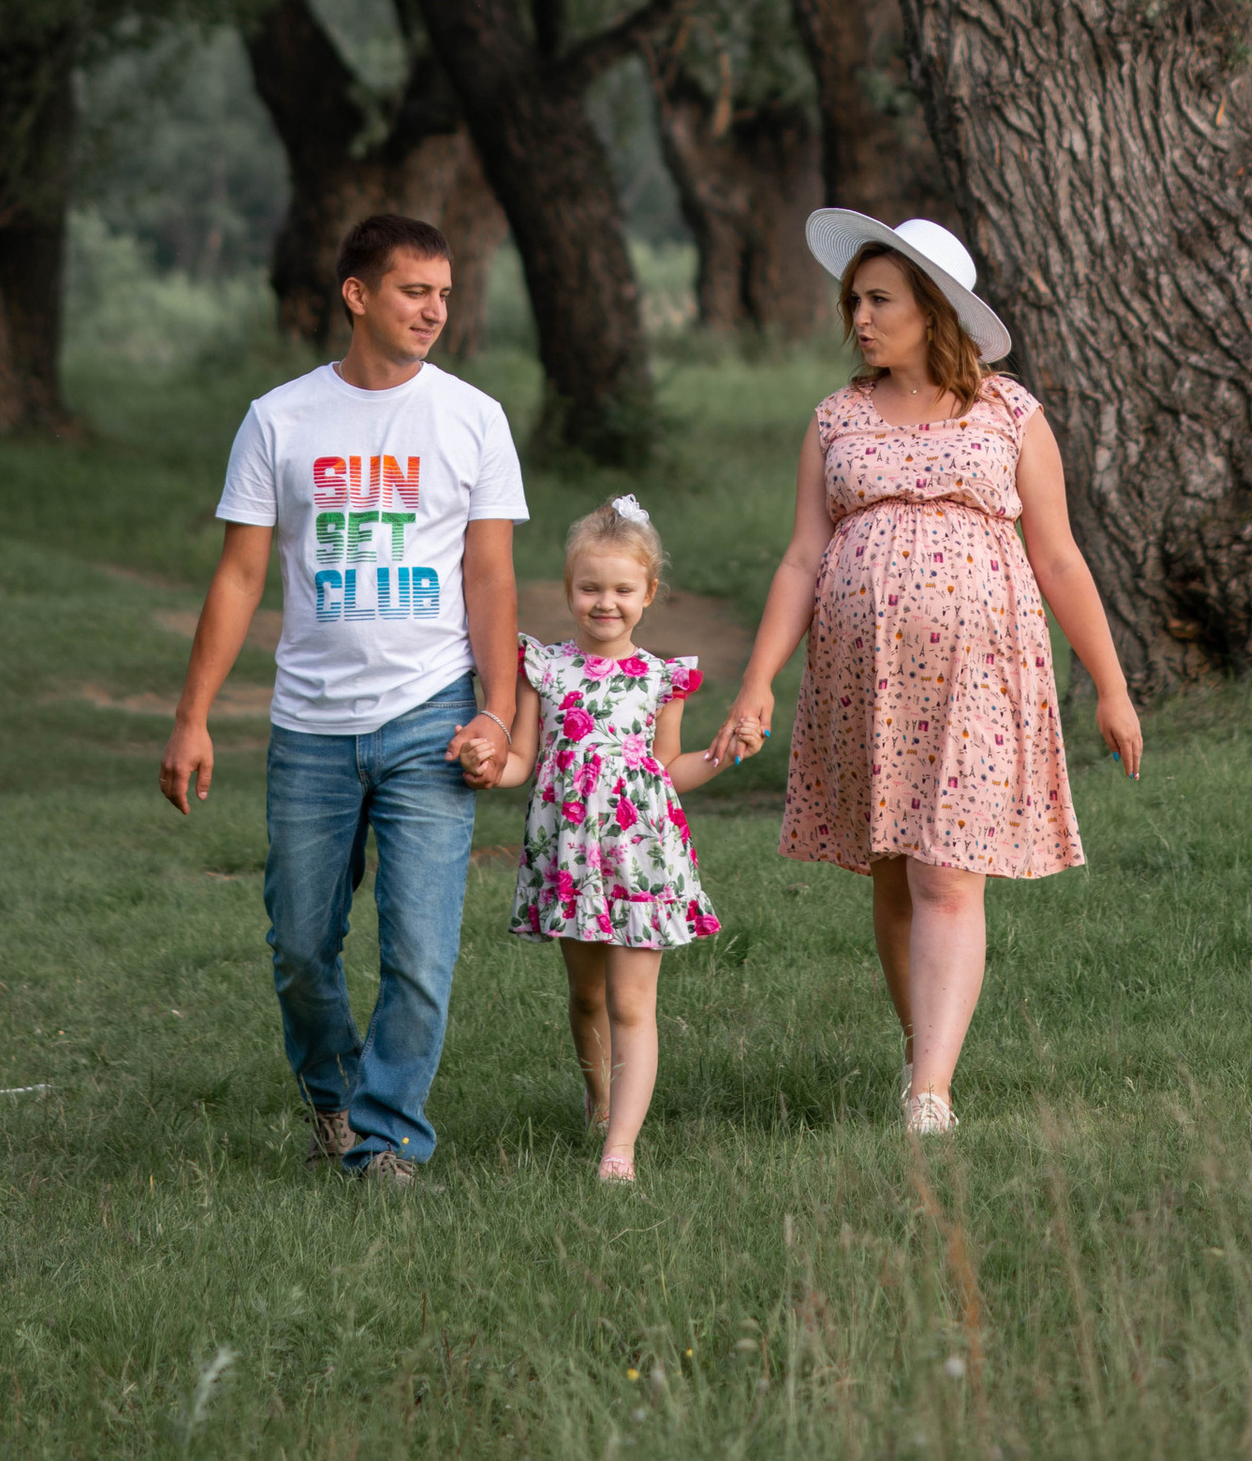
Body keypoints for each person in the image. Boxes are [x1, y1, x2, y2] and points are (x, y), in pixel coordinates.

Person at [711, 211, 1142, 1135]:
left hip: (982, 669)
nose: (859, 318)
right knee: (895, 871)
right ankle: (923, 1050)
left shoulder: (1009, 412)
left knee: (948, 875)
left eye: (880, 300)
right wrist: (757, 682)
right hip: (865, 679)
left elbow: (1058, 556)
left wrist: (1109, 684)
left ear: (933, 307)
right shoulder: (835, 417)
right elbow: (799, 559)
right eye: (855, 301)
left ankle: (930, 1094)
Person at [160, 210, 525, 1183]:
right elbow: (239, 576)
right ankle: (333, 1094)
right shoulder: (280, 418)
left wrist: (497, 708)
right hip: (310, 727)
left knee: (418, 950)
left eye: (444, 293)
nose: (435, 310)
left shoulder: (472, 417)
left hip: (432, 720)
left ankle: (388, 1136)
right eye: (414, 290)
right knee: (300, 947)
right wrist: (192, 715)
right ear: (357, 294)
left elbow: (490, 576)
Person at [487, 493, 729, 1184]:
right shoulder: (546, 669)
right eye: (590, 587)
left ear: (648, 593)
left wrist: (722, 756)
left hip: (642, 855)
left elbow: (669, 767)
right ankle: (599, 1099)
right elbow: (521, 761)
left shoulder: (660, 677)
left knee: (630, 1001)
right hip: (569, 858)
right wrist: (485, 761)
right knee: (587, 995)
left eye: (623, 589)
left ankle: (618, 1147)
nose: (605, 602)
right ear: (569, 589)